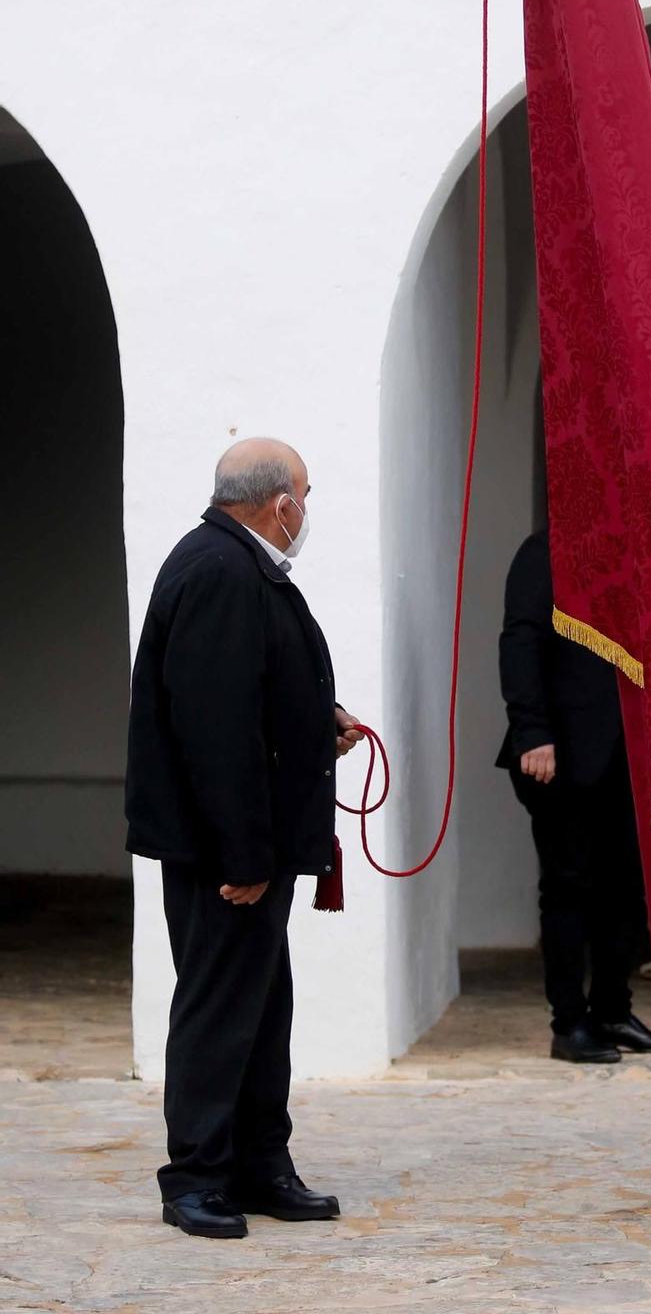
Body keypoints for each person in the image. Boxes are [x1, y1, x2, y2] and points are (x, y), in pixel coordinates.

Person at [125, 439, 364, 1240]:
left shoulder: (237, 564)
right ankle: (195, 1176)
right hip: (223, 853)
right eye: (307, 494)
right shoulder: (222, 572)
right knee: (218, 1011)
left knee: (262, 1009)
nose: (308, 511)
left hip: (246, 846)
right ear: (281, 504)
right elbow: (215, 731)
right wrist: (245, 858)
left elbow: (256, 692)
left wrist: (317, 722)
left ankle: (261, 1164)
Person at [496, 529, 651, 1064]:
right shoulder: (546, 550)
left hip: (631, 754)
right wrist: (531, 731)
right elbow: (519, 640)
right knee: (568, 888)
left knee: (626, 888)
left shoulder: (641, 548)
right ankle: (568, 1023)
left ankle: (613, 1010)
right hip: (559, 753)